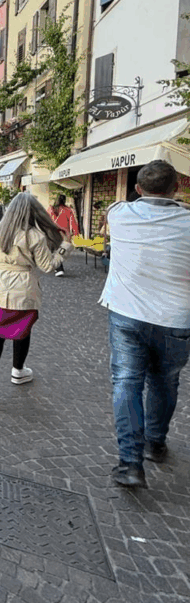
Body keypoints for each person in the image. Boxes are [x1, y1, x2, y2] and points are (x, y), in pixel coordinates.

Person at [99, 160, 190, 488]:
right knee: (166, 382)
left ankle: (130, 464)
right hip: (176, 318)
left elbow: (113, 210)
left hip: (127, 314)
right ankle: (155, 442)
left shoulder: (119, 213)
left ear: (137, 189)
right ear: (176, 187)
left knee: (126, 383)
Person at [0, 192, 73, 408]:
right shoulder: (35, 236)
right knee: (22, 329)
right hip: (24, 289)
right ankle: (18, 370)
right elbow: (47, 266)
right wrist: (65, 247)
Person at [47, 194, 80, 276]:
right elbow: (73, 222)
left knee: (54, 250)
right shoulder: (68, 210)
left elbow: (46, 220)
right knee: (61, 249)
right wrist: (76, 233)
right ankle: (58, 267)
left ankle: (58, 268)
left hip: (52, 232)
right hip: (64, 233)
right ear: (64, 200)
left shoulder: (50, 209)